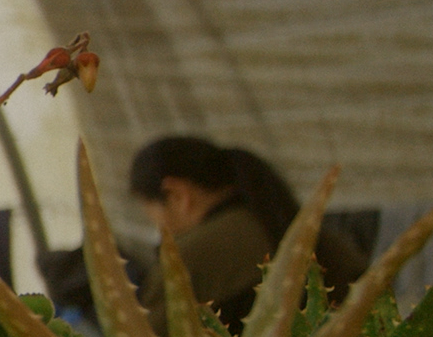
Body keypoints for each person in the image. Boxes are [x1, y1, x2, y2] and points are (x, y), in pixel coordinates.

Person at [127, 136, 365, 322]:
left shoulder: (185, 260)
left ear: (176, 194)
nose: (160, 229)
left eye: (152, 216)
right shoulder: (301, 228)